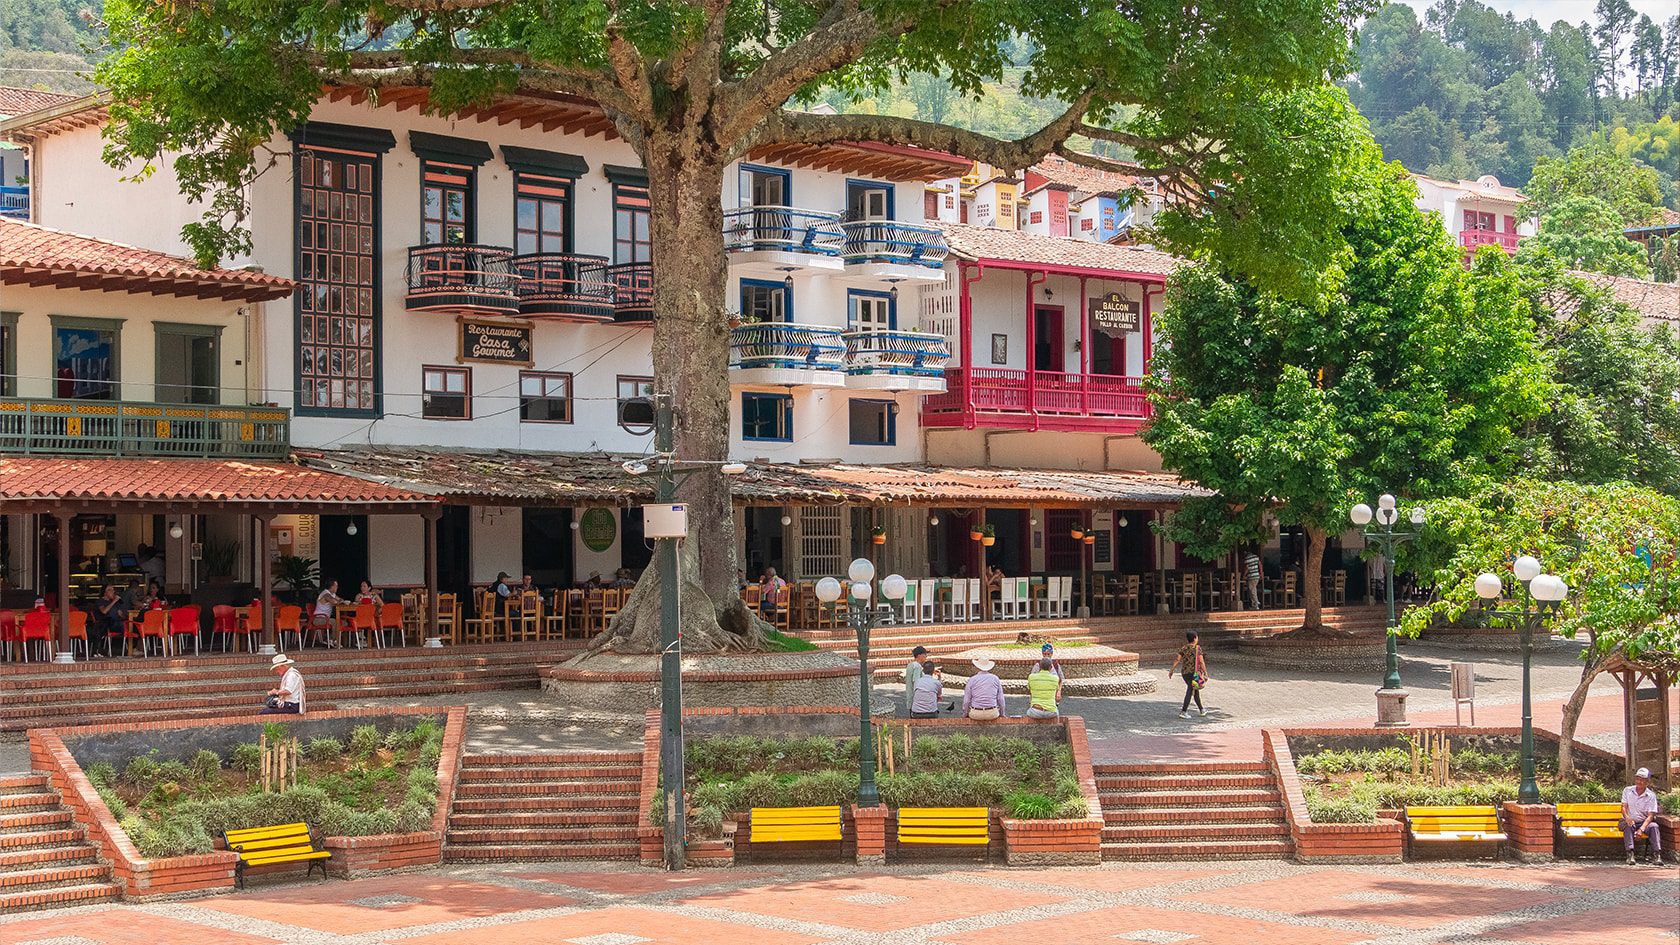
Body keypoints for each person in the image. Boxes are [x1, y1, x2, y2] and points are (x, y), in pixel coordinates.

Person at [1622, 766, 1664, 865]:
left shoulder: (1651, 795)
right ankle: (1630, 854)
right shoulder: (1627, 790)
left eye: (1642, 780)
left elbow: (1650, 816)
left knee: (1654, 826)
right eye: (1638, 779)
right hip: (1630, 820)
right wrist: (1627, 817)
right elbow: (1623, 807)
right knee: (1628, 825)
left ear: (1647, 782)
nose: (1639, 782)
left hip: (1644, 822)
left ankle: (1657, 855)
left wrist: (1641, 829)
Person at [1169, 630, 1207, 718]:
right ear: (1194, 638)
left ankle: (1201, 709)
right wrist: (1205, 673)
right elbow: (1201, 662)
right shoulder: (1197, 648)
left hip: (1185, 673)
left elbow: (1177, 659)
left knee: (1194, 689)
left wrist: (1172, 670)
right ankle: (1183, 711)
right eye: (1197, 637)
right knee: (1190, 690)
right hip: (1195, 673)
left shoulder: (1184, 648)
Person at [89, 584, 125, 655]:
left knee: (128, 626)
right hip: (103, 624)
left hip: (116, 624)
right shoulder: (100, 601)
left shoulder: (115, 603)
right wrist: (114, 601)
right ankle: (97, 650)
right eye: (110, 590)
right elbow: (104, 611)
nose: (113, 591)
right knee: (107, 622)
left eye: (113, 590)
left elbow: (123, 616)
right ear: (105, 592)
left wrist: (121, 614)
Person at [312, 580, 345, 647]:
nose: (337, 587)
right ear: (332, 587)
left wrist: (340, 600)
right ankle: (333, 640)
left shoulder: (332, 594)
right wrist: (339, 601)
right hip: (318, 619)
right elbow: (335, 602)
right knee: (335, 622)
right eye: (336, 586)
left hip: (326, 618)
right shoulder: (325, 594)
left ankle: (332, 639)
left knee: (343, 622)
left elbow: (340, 599)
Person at [903, 645, 929, 712]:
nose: (926, 656)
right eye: (925, 654)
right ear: (919, 655)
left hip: (910, 696)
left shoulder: (910, 665)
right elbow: (916, 682)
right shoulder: (917, 666)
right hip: (915, 700)